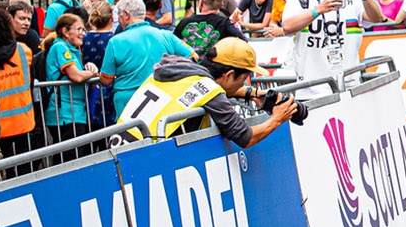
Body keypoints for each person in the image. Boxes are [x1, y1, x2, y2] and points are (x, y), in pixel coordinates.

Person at [119, 38, 297, 147]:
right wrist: (277, 119)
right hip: (142, 158)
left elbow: (200, 92)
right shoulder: (209, 89)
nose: (244, 83)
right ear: (228, 75)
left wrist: (250, 93)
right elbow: (245, 138)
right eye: (244, 78)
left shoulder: (180, 70)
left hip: (120, 146)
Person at [280, 0, 382, 98]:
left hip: (348, 85)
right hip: (312, 88)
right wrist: (318, 10)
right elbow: (287, 27)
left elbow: (377, 18)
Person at [99, 0, 194, 118]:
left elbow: (106, 79)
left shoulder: (115, 41)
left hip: (127, 103)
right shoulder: (166, 35)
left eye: (119, 15)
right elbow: (193, 57)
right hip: (160, 98)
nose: (119, 19)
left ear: (126, 14)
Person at [43, 12, 99, 151]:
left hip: (75, 112)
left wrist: (89, 69)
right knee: (69, 156)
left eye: (83, 30)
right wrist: (91, 73)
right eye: (79, 29)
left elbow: (82, 75)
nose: (83, 33)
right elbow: (76, 76)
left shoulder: (73, 50)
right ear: (65, 32)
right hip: (65, 114)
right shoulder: (60, 47)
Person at [0, 2, 42, 161]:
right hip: (24, 123)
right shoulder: (24, 51)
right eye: (22, 18)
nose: (26, 23)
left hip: (0, 127)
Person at [175, 0, 249, 52]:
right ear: (221, 5)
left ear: (201, 2)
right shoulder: (225, 24)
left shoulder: (184, 22)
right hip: (214, 66)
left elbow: (172, 45)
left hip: (188, 65)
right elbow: (243, 42)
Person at [82, 2, 115, 126]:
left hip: (89, 88)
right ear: (111, 18)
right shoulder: (114, 39)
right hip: (109, 88)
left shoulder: (84, 38)